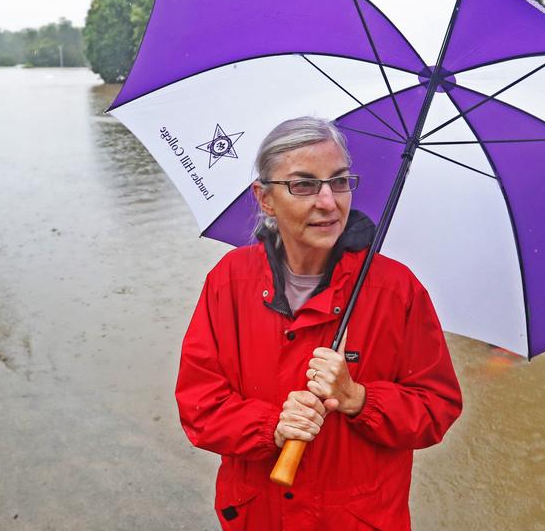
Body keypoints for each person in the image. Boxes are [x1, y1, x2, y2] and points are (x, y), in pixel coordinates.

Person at [176, 116, 462, 530]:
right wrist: (271, 427)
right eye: (304, 184)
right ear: (265, 198)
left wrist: (360, 399)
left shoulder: (396, 291)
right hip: (259, 516)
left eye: (340, 181)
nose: (328, 201)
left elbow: (438, 408)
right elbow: (199, 406)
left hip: (357, 519)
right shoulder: (229, 281)